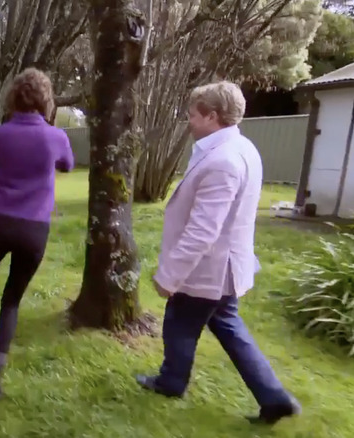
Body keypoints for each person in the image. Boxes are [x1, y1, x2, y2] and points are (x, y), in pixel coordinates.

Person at [136, 81, 301, 424]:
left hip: (208, 268)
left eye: (193, 116)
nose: (189, 122)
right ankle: (274, 397)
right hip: (225, 266)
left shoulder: (224, 161)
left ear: (212, 116)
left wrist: (170, 275)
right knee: (228, 327)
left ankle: (170, 382)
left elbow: (203, 230)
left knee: (179, 323)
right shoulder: (243, 148)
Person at [0, 67, 74, 400]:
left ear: (13, 98)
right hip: (34, 229)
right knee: (11, 301)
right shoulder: (57, 137)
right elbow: (67, 164)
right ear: (46, 101)